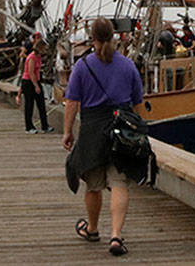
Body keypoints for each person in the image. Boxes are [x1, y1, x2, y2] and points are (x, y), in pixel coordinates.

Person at [63, 17, 146, 257]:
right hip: (121, 129)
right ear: (114, 36)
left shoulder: (83, 66)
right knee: (119, 183)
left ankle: (92, 229)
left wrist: (68, 132)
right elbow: (137, 103)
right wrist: (139, 131)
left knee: (94, 185)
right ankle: (116, 235)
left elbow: (71, 103)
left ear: (93, 37)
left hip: (92, 131)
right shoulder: (128, 65)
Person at [21, 39, 51, 133]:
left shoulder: (39, 56)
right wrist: (36, 86)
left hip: (36, 80)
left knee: (41, 104)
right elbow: (31, 73)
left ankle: (45, 126)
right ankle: (29, 127)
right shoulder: (32, 57)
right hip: (28, 82)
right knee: (29, 105)